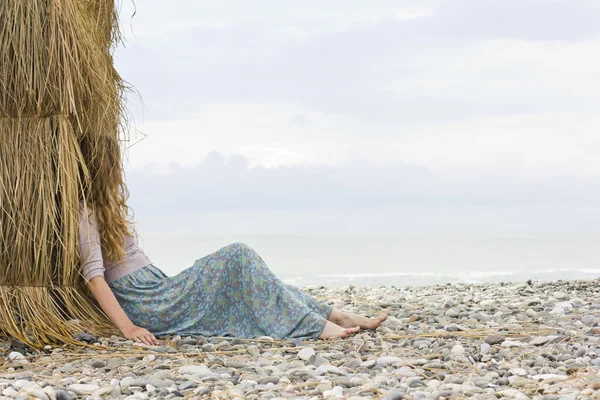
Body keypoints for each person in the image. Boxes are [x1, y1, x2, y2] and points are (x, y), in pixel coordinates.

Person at [78, 136, 387, 346]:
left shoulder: (106, 204)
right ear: (104, 166)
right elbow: (94, 278)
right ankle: (316, 326)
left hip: (159, 289)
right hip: (148, 302)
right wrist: (128, 327)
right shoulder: (85, 211)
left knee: (257, 280)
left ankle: (334, 315)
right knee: (238, 255)